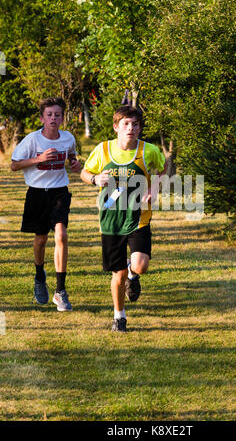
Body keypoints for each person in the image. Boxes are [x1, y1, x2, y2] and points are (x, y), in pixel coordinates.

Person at [80, 105, 167, 332]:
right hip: (110, 220)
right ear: (116, 127)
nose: (131, 128)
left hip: (138, 218)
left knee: (141, 265)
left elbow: (162, 168)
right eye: (126, 124)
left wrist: (155, 189)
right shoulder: (103, 150)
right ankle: (119, 316)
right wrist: (95, 179)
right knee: (116, 274)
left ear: (140, 128)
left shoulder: (148, 151)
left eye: (135, 124)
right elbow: (84, 172)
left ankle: (133, 273)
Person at [11, 97, 81, 311]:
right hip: (37, 194)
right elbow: (14, 165)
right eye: (49, 114)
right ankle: (39, 276)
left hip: (59, 192)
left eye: (57, 114)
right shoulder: (32, 140)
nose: (53, 118)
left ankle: (60, 291)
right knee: (41, 240)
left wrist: (76, 163)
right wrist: (38, 159)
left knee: (61, 235)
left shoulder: (68, 138)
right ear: (42, 118)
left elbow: (71, 156)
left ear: (62, 118)